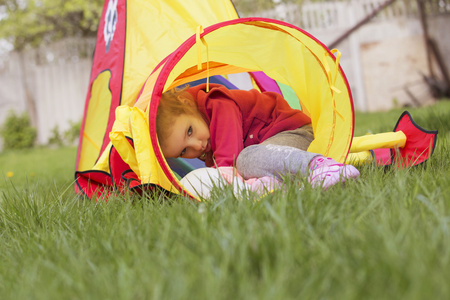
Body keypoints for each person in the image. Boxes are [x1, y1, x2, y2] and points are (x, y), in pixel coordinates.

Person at [156, 83, 359, 190]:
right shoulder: (205, 139)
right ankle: (277, 186)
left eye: (189, 131)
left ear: (187, 103)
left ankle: (319, 165)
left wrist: (222, 178)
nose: (197, 145)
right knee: (248, 164)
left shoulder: (217, 103)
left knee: (245, 159)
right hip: (272, 149)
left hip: (292, 132)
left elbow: (228, 163)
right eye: (184, 150)